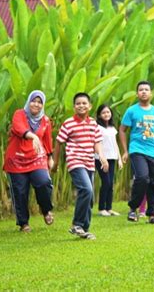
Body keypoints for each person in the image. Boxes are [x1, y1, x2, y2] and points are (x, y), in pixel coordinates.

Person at [53, 93, 109, 240]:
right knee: (86, 189)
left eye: (84, 103)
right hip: (75, 161)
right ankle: (77, 224)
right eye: (78, 103)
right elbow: (59, 142)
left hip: (89, 163)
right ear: (74, 107)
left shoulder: (93, 123)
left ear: (90, 106)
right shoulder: (68, 123)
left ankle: (84, 229)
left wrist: (102, 157)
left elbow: (97, 142)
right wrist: (55, 163)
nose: (81, 106)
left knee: (89, 197)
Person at [4, 90, 54, 232]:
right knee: (20, 191)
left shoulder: (45, 120)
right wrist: (32, 136)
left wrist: (50, 157)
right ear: (28, 101)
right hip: (16, 159)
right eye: (34, 101)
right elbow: (18, 128)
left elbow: (47, 140)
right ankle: (23, 223)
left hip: (37, 158)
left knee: (43, 181)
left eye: (40, 102)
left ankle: (46, 210)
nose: (36, 104)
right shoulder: (19, 114)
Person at [120, 81, 154, 224]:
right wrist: (125, 150)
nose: (144, 92)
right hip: (137, 150)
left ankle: (152, 215)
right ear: (137, 93)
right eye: (141, 90)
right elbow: (122, 130)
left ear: (151, 93)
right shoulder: (131, 111)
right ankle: (133, 208)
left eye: (146, 89)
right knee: (142, 177)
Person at [95, 104, 123, 217]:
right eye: (103, 113)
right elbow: (97, 143)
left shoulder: (112, 128)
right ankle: (102, 208)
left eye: (108, 112)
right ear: (99, 115)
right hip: (101, 158)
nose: (106, 114)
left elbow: (115, 144)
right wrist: (101, 157)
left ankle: (109, 208)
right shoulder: (97, 127)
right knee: (106, 182)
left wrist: (119, 158)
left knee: (110, 183)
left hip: (112, 157)